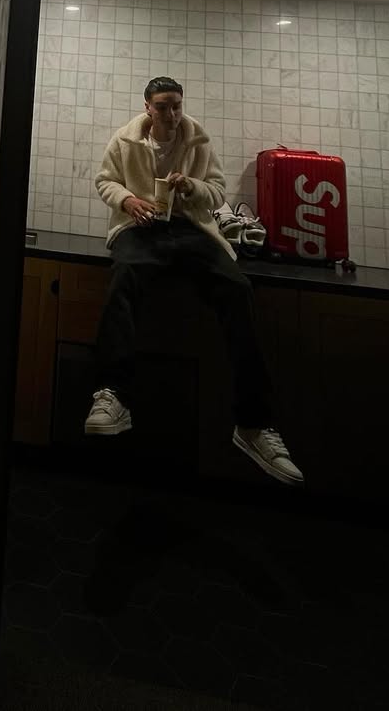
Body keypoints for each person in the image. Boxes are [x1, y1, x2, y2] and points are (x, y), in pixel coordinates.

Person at [85, 75, 304, 486]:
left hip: (190, 230)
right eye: (162, 106)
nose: (171, 114)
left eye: (176, 105)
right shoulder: (125, 139)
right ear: (147, 108)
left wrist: (192, 188)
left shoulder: (197, 140)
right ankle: (112, 393)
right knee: (124, 275)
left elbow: (217, 192)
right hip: (140, 228)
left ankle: (254, 424)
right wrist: (128, 201)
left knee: (236, 287)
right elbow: (104, 181)